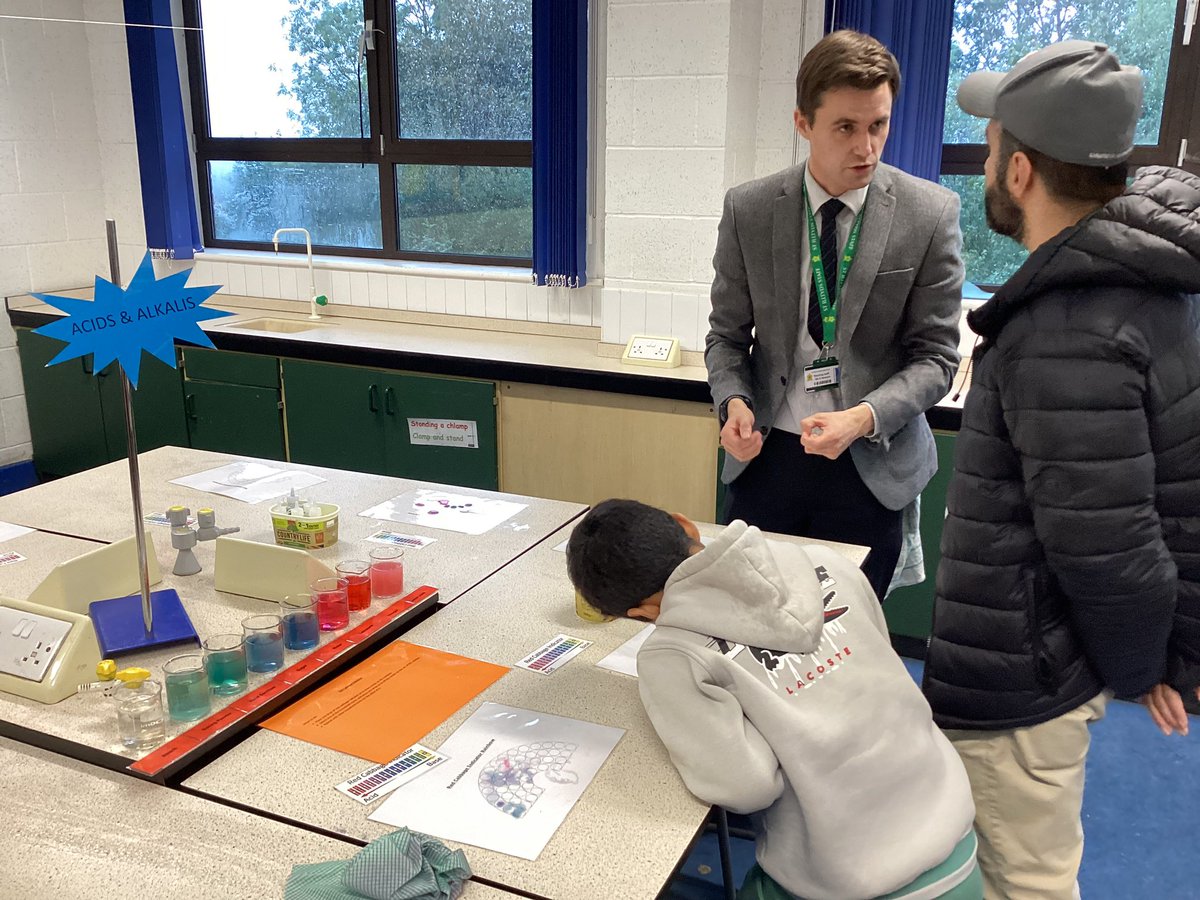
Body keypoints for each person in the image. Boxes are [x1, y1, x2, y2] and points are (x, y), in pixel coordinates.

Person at [922, 40, 1200, 899]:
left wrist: (1142, 665)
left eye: (993, 139)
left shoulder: (1066, 327)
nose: (986, 155)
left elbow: (1109, 545)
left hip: (1022, 678)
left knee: (1022, 881)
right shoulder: (1138, 282)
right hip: (1052, 659)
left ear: (1019, 172)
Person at [566, 499, 981, 900]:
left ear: (640, 614)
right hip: (957, 832)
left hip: (854, 876)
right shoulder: (822, 560)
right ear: (687, 525)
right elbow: (876, 651)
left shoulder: (671, 654)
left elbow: (747, 789)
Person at [706, 30, 964, 600]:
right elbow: (726, 338)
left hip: (869, 465)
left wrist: (864, 416)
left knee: (848, 645)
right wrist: (734, 402)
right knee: (751, 625)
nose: (866, 148)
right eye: (845, 127)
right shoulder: (749, 209)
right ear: (804, 123)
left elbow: (938, 358)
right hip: (769, 458)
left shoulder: (929, 213)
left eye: (878, 125)